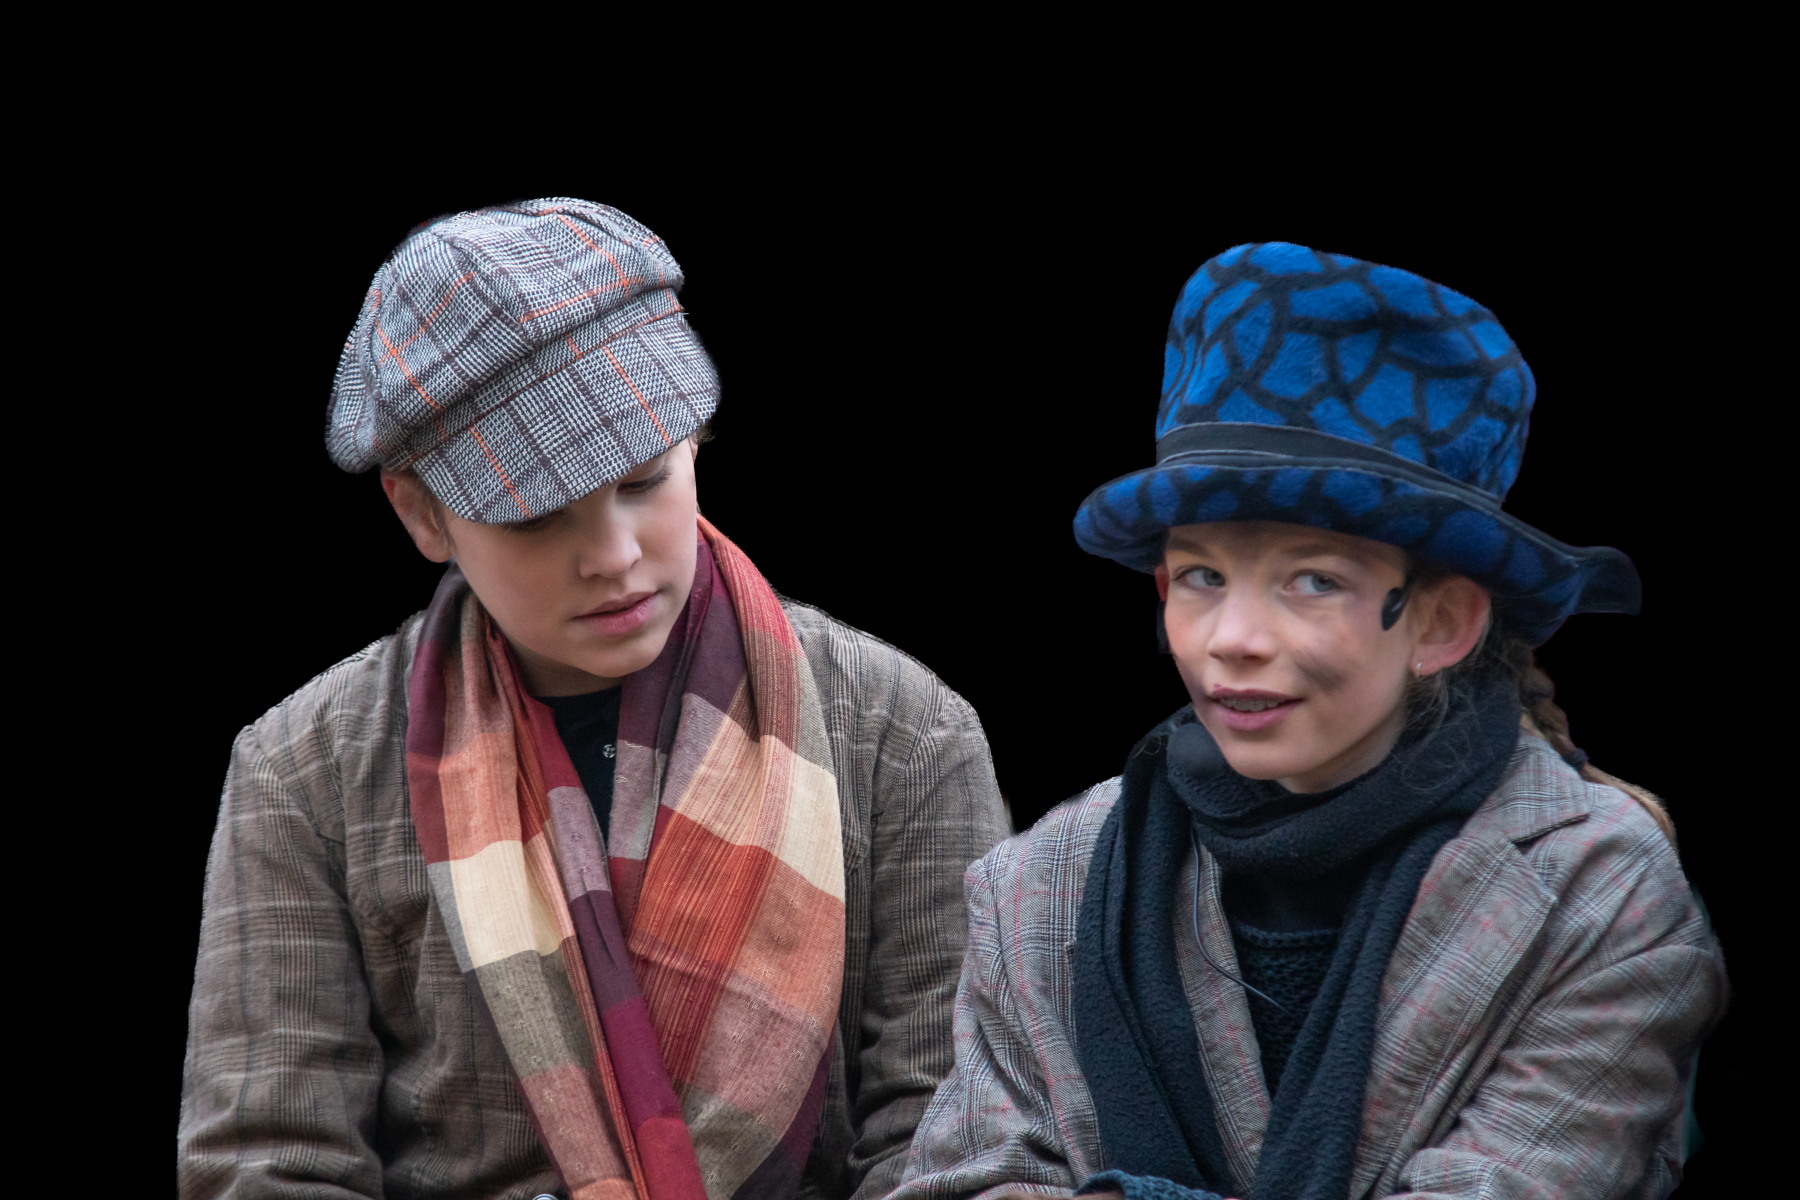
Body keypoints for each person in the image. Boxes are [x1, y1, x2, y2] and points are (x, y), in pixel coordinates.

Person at [179, 198, 1011, 1200]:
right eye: (536, 518)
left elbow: (954, 1144)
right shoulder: (305, 774)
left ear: (696, 438)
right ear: (421, 515)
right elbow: (271, 1164)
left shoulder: (904, 736)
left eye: (643, 479)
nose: (613, 556)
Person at [895, 243, 1726, 1199]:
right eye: (1201, 576)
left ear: (1441, 622)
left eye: (1314, 580)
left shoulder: (1599, 893)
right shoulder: (1043, 885)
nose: (1233, 640)